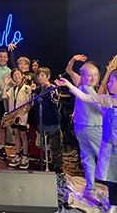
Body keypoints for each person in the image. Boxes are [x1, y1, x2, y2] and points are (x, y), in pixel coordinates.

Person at [55, 71, 117, 213]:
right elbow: (84, 96)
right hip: (109, 146)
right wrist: (68, 84)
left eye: (112, 81)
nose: (108, 84)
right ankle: (113, 203)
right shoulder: (106, 100)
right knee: (111, 175)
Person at [65, 55, 103, 201]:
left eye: (95, 75)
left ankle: (90, 188)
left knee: (87, 158)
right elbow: (101, 108)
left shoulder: (81, 86)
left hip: (80, 127)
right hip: (92, 128)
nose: (93, 78)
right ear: (83, 76)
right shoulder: (88, 89)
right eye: (90, 76)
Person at [31, 67, 63, 173]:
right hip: (42, 120)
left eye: (42, 75)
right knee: (44, 144)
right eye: (39, 75)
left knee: (56, 145)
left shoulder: (52, 88)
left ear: (48, 77)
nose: (40, 77)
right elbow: (32, 103)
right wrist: (33, 91)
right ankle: (47, 161)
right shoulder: (38, 89)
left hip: (52, 120)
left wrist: (49, 90)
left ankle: (57, 166)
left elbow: (55, 100)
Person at [2, 68, 31, 169]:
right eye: (14, 75)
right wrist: (5, 84)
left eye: (18, 74)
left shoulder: (27, 88)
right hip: (14, 116)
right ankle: (17, 154)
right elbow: (4, 96)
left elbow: (30, 102)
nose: (16, 76)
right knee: (16, 135)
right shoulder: (12, 89)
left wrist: (27, 109)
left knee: (23, 135)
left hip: (22, 116)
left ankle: (25, 156)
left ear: (22, 75)